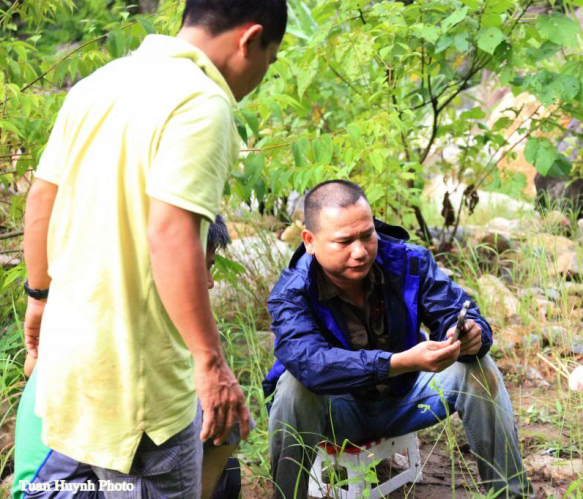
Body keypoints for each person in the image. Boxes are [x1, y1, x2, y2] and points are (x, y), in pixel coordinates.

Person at [21, 0, 286, 495]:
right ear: (250, 40)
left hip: (75, 368)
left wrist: (38, 301)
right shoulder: (203, 102)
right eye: (268, 64)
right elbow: (171, 233)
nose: (259, 79)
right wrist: (211, 363)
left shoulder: (98, 84)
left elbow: (41, 200)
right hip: (140, 387)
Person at [263, 180, 533, 498]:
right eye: (344, 241)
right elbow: (311, 364)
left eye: (367, 235)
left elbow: (454, 310)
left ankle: (511, 495)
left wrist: (471, 334)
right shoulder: (292, 292)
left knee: (477, 366)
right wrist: (399, 362)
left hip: (408, 399)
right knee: (294, 386)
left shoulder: (407, 261)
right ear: (310, 241)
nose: (360, 251)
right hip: (339, 413)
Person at [13, 217, 241, 499]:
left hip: (94, 467)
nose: (209, 282)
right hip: (54, 490)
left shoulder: (119, 308)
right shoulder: (124, 340)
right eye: (202, 267)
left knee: (222, 423)